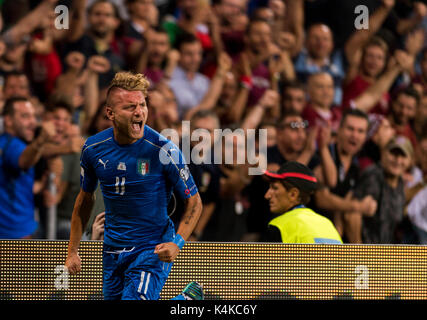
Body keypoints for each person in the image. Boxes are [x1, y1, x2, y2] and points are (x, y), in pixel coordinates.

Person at [65, 72, 204, 300]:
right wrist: (72, 251)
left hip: (151, 248)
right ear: (110, 113)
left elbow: (195, 202)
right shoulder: (93, 149)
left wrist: (177, 243)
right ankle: (186, 301)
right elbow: (84, 199)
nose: (139, 112)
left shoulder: (163, 150)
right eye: (130, 107)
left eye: (142, 104)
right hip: (112, 250)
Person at [0, 97, 55, 238]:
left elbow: (16, 184)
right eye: (25, 116)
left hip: (24, 229)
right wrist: (41, 139)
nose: (33, 122)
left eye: (34, 116)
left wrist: (41, 185)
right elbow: (24, 161)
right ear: (8, 120)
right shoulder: (10, 144)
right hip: (13, 234)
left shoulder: (16, 144)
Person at [261, 161, 342, 244]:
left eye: (275, 188)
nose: (267, 195)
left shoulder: (278, 226)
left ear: (293, 194)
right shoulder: (327, 224)